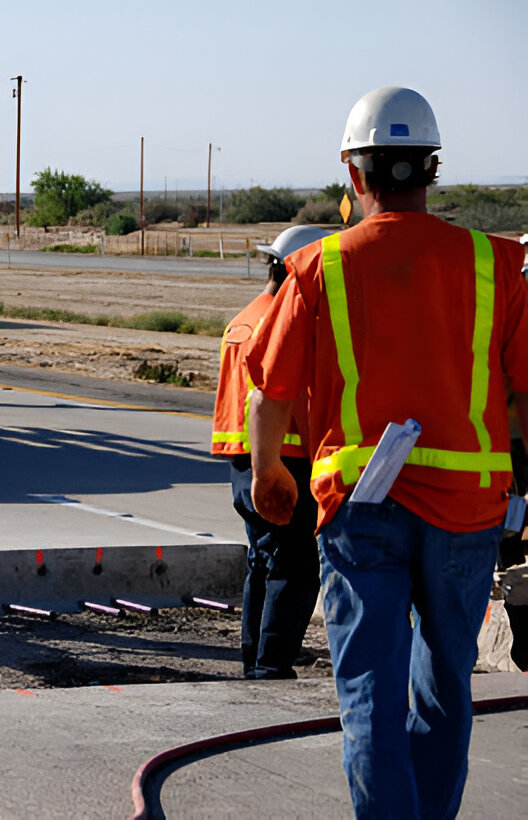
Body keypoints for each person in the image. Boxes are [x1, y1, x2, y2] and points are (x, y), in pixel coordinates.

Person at [246, 86, 528, 817]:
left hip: (362, 508)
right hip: (468, 511)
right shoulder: (496, 264)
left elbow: (270, 389)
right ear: (431, 168)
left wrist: (269, 470)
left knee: (371, 689)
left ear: (354, 171)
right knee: (446, 685)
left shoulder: (320, 267)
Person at [211, 225, 329, 679]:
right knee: (294, 565)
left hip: (244, 460)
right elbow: (289, 399)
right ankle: (272, 665)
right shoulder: (284, 324)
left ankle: (256, 660)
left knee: (263, 560)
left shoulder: (242, 320)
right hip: (285, 460)